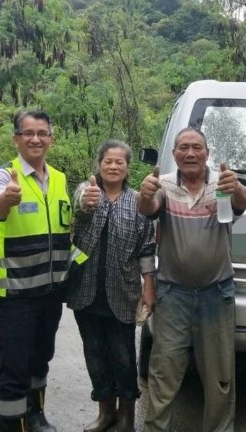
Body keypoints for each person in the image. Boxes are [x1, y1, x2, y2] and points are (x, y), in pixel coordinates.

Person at [137, 127, 246, 432]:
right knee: (164, 371)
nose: (190, 153)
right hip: (173, 295)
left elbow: (245, 201)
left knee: (220, 375)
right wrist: (144, 196)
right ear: (174, 154)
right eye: (183, 147)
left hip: (217, 294)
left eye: (197, 148)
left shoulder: (223, 184)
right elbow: (148, 208)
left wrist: (237, 186)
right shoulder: (162, 185)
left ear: (207, 154)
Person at [0, 110, 72, 432]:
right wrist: (6, 198)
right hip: (14, 295)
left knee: (40, 359)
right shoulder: (3, 176)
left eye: (42, 133)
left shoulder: (60, 179)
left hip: (49, 293)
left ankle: (35, 417)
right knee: (13, 369)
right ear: (16, 139)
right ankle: (11, 426)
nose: (35, 139)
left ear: (51, 137)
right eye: (28, 133)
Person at [66, 140, 156, 432]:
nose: (113, 166)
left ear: (128, 167)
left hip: (123, 290)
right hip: (86, 290)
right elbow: (80, 203)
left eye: (119, 162)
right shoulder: (87, 191)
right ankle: (105, 413)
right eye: (108, 161)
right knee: (94, 352)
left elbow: (146, 249)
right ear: (99, 164)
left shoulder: (138, 202)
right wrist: (85, 200)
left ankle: (126, 416)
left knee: (122, 355)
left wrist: (149, 288)